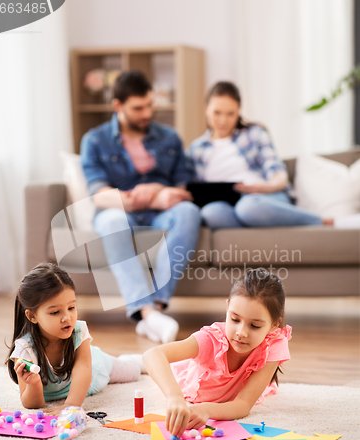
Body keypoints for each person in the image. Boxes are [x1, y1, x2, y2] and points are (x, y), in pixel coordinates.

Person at [81, 70, 201, 344]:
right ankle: (148, 314)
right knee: (110, 221)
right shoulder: (95, 140)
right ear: (118, 106)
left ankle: (155, 308)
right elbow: (99, 194)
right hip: (120, 209)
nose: (147, 112)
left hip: (163, 211)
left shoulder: (169, 137)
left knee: (189, 212)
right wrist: (137, 197)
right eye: (138, 108)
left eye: (149, 105)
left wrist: (160, 192)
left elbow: (184, 188)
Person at [143, 268, 291, 438]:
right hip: (190, 376)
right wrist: (175, 397)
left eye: (254, 326)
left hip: (219, 394)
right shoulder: (211, 340)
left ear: (274, 325)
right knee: (149, 365)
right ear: (228, 307)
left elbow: (243, 405)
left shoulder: (274, 344)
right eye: (235, 319)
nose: (241, 332)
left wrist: (206, 409)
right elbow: (152, 354)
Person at [186, 81, 334, 229]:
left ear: (239, 111)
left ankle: (318, 220)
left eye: (230, 114)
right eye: (217, 113)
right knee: (211, 214)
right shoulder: (196, 149)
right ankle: (254, 222)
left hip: (264, 198)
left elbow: (279, 175)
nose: (223, 120)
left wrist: (265, 187)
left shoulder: (255, 134)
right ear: (206, 109)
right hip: (227, 205)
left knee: (249, 208)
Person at [6, 263, 146, 415]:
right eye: (55, 312)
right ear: (32, 316)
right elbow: (34, 405)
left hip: (94, 367)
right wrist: (34, 384)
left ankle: (137, 359)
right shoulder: (24, 349)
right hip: (68, 381)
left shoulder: (78, 330)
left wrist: (72, 404)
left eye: (71, 308)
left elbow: (84, 369)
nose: (67, 318)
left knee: (134, 371)